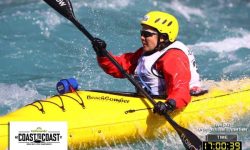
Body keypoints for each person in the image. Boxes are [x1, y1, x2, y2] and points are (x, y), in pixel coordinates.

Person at [91, 11, 207, 115]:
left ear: (163, 37)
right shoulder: (146, 52)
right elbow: (119, 67)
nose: (142, 37)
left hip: (176, 102)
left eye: (147, 34)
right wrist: (102, 54)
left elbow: (181, 89)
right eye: (142, 33)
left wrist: (169, 105)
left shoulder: (173, 57)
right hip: (154, 100)